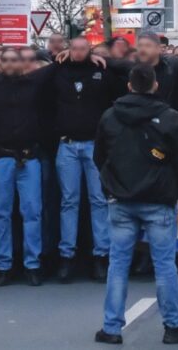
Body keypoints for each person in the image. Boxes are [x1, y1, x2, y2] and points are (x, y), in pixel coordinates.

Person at [93, 64, 178, 346]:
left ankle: (111, 328)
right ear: (155, 85)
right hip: (158, 198)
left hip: (121, 198)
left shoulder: (111, 116)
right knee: (164, 265)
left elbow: (99, 156)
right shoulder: (170, 117)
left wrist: (110, 186)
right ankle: (173, 326)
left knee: (118, 264)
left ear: (129, 86)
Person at [0, 46, 55, 286]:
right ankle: (4, 264)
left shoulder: (33, 82)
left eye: (15, 60)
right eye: (5, 60)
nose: (10, 64)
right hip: (1, 158)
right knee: (1, 213)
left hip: (29, 157)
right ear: (0, 62)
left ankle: (32, 264)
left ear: (22, 63)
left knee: (32, 212)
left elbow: (61, 67)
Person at [49, 36, 117, 282]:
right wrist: (54, 59)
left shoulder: (101, 71)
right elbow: (37, 74)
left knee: (99, 200)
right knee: (69, 201)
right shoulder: (58, 71)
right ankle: (67, 255)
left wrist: (105, 58)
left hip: (94, 145)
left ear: (90, 50)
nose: (78, 53)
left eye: (83, 49)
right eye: (74, 49)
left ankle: (101, 255)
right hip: (67, 145)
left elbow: (123, 75)